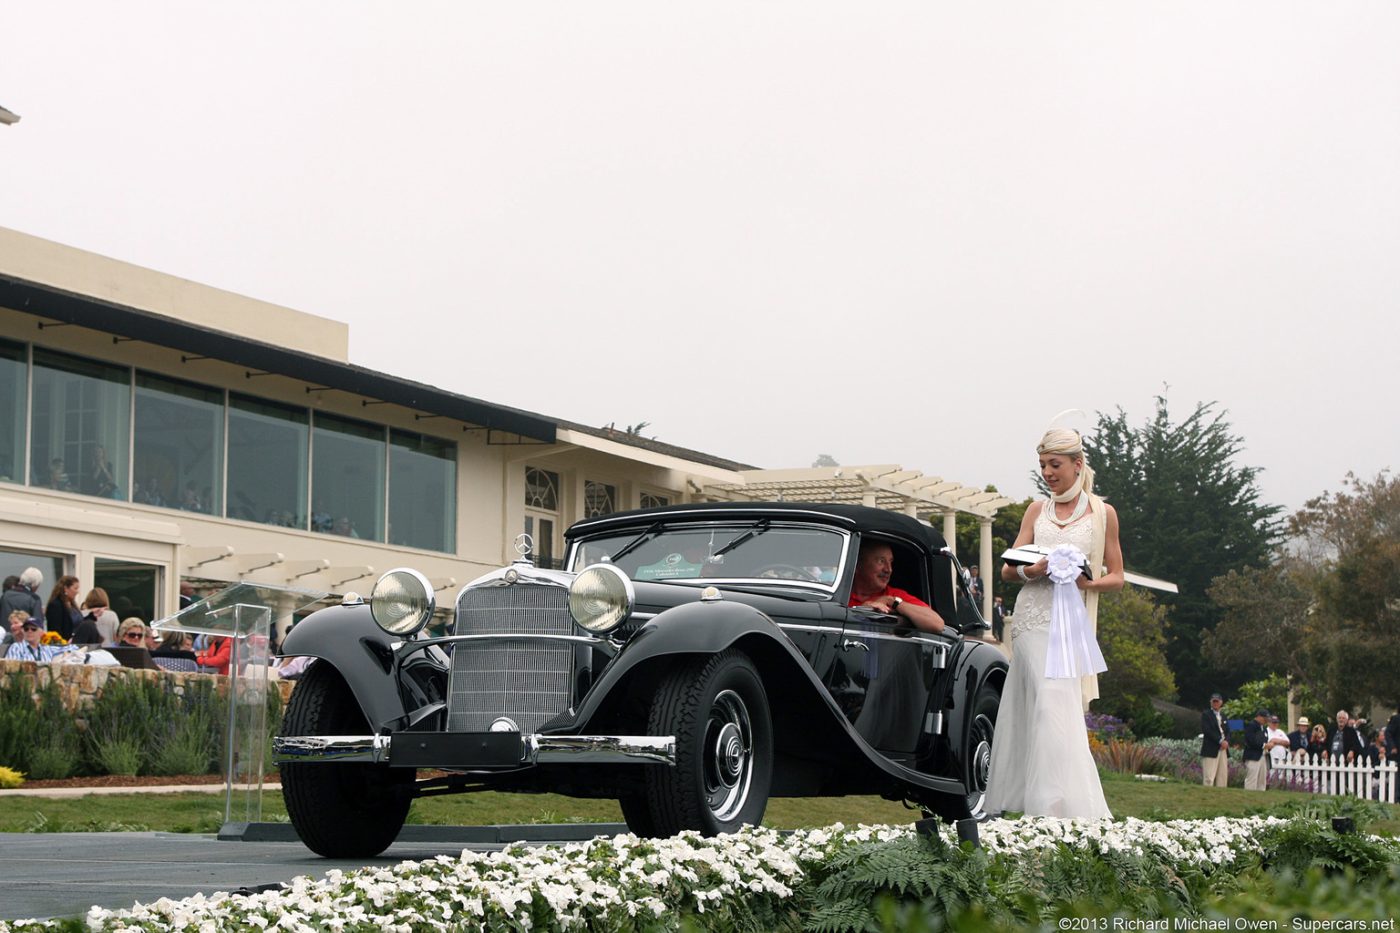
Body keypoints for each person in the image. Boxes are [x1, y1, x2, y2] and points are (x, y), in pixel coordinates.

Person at [984, 426, 1121, 819]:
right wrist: (1035, 569)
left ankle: (1060, 806)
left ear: (1078, 465)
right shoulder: (1035, 511)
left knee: (1055, 707)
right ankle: (1041, 803)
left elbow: (1118, 575)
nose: (1048, 472)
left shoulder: (1102, 514)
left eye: (1055, 464)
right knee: (1039, 704)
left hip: (1068, 623)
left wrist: (1088, 580)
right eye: (1043, 465)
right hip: (1030, 620)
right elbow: (1010, 570)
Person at [846, 540, 945, 632]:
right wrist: (862, 610)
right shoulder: (840, 591)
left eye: (891, 562)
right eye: (881, 561)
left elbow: (937, 624)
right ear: (858, 564)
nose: (888, 569)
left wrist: (892, 602)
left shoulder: (894, 595)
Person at [5, 615, 75, 662]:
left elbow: (73, 648)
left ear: (41, 632)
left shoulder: (47, 649)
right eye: (26, 629)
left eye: (33, 629)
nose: (29, 631)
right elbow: (11, 669)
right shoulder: (16, 647)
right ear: (23, 631)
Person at [1200, 692, 1230, 786]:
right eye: (1213, 701)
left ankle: (1221, 796)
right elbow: (1207, 730)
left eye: (1217, 701)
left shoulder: (1224, 716)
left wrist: (1226, 741)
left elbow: (1228, 731)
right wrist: (1220, 741)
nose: (1215, 703)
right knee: (1209, 776)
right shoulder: (1206, 715)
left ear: (1221, 702)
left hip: (1223, 749)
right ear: (1210, 702)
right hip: (1211, 748)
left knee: (1222, 776)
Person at [45, 575, 82, 641]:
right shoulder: (56, 605)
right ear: (65, 588)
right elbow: (55, 629)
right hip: (64, 644)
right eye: (75, 588)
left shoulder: (73, 605)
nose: (77, 592)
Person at [1242, 709, 1268, 790]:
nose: (1266, 720)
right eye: (1265, 718)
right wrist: (1264, 745)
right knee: (1252, 778)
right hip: (1253, 755)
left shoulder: (1264, 728)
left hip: (1262, 755)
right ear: (1259, 717)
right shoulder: (1251, 726)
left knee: (1262, 779)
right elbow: (1251, 741)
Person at [1265, 714, 1290, 781]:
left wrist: (1275, 741)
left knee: (1281, 776)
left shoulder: (1280, 731)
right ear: (1269, 722)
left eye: (1276, 722)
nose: (1275, 724)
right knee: (1271, 775)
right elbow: (1269, 742)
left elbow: (1287, 742)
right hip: (1271, 757)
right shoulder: (1266, 731)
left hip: (1282, 758)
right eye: (1273, 722)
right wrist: (1281, 742)